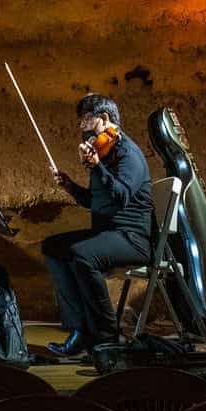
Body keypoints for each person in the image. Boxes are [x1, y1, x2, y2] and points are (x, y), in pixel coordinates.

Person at [40, 92, 153, 358]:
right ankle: (79, 329)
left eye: (86, 122)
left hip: (132, 238)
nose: (83, 131)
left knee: (82, 255)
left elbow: (122, 195)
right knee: (53, 247)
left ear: (104, 119)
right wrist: (69, 187)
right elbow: (96, 201)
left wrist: (98, 166)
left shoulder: (128, 154)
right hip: (108, 233)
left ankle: (105, 334)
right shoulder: (104, 153)